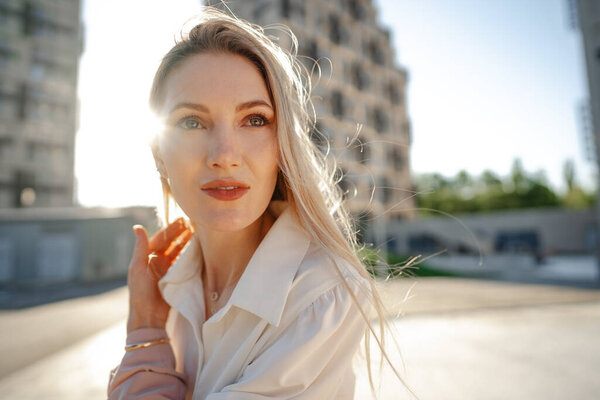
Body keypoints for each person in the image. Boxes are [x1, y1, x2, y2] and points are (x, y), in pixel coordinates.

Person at [108, 7, 395, 399]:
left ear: (282, 147)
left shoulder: (322, 296)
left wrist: (142, 335)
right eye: (192, 122)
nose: (225, 155)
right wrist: (147, 322)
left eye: (255, 120)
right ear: (159, 152)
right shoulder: (169, 289)